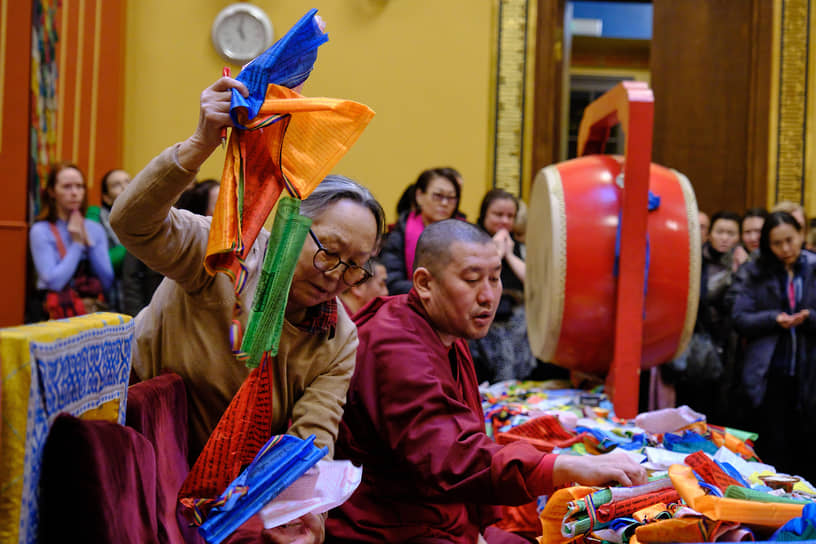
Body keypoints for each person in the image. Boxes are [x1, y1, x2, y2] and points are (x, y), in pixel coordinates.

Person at [110, 77, 385, 543]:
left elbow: (311, 436)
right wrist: (199, 146)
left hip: (228, 501)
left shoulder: (337, 336)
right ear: (290, 223)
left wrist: (300, 512)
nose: (336, 275)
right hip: (129, 462)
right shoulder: (224, 253)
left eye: (355, 267)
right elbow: (132, 223)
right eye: (329, 251)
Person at [327, 219, 647, 544]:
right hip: (390, 527)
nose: (488, 295)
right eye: (471, 279)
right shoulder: (394, 344)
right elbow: (453, 458)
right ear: (424, 284)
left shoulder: (446, 329)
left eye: (495, 278)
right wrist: (569, 466)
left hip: (440, 514)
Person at [731, 211, 816, 481]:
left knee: (806, 445)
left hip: (809, 371)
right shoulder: (754, 271)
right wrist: (773, 319)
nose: (785, 249)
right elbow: (738, 316)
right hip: (769, 373)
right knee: (774, 447)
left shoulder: (814, 267)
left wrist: (810, 317)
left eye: (790, 240)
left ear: (801, 235)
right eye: (777, 243)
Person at [29, 162, 113, 320]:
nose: (75, 192)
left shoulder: (94, 228)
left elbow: (107, 280)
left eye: (80, 186)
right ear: (53, 191)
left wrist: (90, 245)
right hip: (53, 314)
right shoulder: (41, 230)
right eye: (67, 187)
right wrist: (77, 244)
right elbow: (54, 282)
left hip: (88, 314)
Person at [468, 189, 535, 382]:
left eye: (510, 216)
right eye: (498, 215)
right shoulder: (469, 239)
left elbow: (531, 282)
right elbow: (475, 277)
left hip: (515, 324)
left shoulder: (517, 244)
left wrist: (510, 255)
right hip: (481, 323)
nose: (505, 221)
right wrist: (495, 251)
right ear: (484, 214)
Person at [381, 168, 461, 295]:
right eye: (438, 196)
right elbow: (392, 281)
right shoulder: (401, 232)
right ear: (419, 196)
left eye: (451, 198)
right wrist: (434, 292)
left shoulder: (465, 234)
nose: (445, 203)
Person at [87, 168, 131, 311]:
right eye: (116, 185)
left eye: (128, 181)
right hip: (111, 297)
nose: (125, 187)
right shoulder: (96, 215)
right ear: (106, 197)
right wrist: (138, 242)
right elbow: (104, 262)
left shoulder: (149, 215)